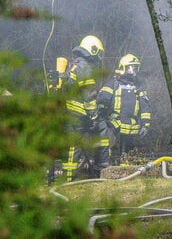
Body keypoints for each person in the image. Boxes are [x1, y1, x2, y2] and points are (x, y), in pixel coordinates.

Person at [59, 35, 110, 180]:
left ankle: (69, 178)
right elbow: (89, 96)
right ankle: (101, 168)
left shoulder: (76, 64)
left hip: (71, 113)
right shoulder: (86, 67)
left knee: (73, 147)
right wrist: (94, 116)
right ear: (91, 50)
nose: (99, 58)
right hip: (78, 114)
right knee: (100, 130)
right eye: (98, 53)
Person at [98, 53, 152, 164]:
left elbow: (145, 108)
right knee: (110, 148)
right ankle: (108, 167)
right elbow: (102, 100)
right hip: (115, 124)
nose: (133, 71)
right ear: (123, 67)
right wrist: (103, 117)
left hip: (132, 126)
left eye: (135, 68)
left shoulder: (139, 87)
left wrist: (145, 125)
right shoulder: (113, 84)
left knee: (129, 154)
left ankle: (126, 169)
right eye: (130, 68)